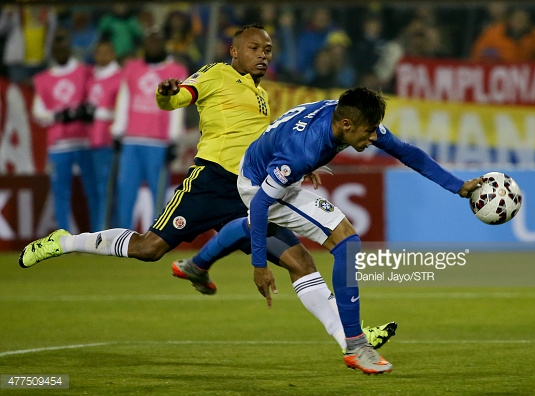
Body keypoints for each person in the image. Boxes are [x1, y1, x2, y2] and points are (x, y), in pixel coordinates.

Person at [19, 24, 396, 368]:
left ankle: (350, 341)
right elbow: (178, 96)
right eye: (254, 48)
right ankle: (66, 242)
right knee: (149, 248)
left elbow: (266, 144)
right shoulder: (218, 73)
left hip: (253, 191)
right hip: (211, 183)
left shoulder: (261, 95)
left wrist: (299, 165)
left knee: (301, 262)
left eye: (267, 49)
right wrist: (167, 94)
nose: (263, 54)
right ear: (234, 51)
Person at [228, 87, 480, 373]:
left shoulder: (348, 116)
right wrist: (259, 264)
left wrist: (458, 186)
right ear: (346, 124)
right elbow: (261, 203)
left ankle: (354, 343)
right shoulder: (303, 150)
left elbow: (407, 153)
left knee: (336, 248)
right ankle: (356, 346)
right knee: (346, 243)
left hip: (273, 170)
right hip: (257, 188)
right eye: (369, 131)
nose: (373, 137)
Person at [110, 27, 187, 229]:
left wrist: (173, 139)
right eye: (149, 41)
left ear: (163, 44)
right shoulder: (132, 68)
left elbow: (177, 106)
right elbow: (124, 99)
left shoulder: (175, 71)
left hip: (158, 142)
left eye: (157, 41)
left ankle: (157, 238)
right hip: (131, 140)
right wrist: (118, 132)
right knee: (125, 192)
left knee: (158, 194)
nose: (152, 45)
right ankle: (122, 238)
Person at [31, 27, 97, 232]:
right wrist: (61, 115)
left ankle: (97, 235)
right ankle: (63, 238)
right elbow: (38, 112)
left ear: (69, 47)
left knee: (92, 191)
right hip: (59, 145)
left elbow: (94, 99)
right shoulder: (43, 79)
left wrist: (82, 112)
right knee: (60, 193)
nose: (60, 50)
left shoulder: (84, 72)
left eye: (63, 45)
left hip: (84, 141)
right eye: (56, 47)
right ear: (52, 51)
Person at [85, 40, 122, 230]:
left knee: (107, 190)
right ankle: (99, 231)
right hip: (91, 140)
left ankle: (103, 233)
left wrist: (98, 112)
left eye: (107, 52)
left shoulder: (119, 77)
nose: (102, 56)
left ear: (114, 54)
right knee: (96, 190)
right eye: (99, 52)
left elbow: (122, 110)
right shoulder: (91, 77)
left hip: (108, 140)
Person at [471, 7, 535, 63]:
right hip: (499, 76)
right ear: (509, 19)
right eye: (516, 18)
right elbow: (478, 56)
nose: (519, 21)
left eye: (523, 19)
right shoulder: (493, 34)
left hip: (526, 78)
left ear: (529, 21)